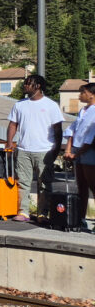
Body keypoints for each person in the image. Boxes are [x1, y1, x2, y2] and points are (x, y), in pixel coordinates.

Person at [6, 74, 64, 223]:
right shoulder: (19, 105)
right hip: (23, 149)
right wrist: (9, 142)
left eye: (28, 83)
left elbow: (58, 130)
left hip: (45, 151)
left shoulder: (51, 105)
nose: (25, 85)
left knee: (44, 184)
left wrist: (56, 150)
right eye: (25, 83)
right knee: (22, 182)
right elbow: (13, 125)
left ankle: (42, 214)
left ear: (37, 86)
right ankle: (23, 212)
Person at [65, 83, 95, 220]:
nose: (79, 95)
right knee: (81, 187)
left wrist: (76, 154)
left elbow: (90, 138)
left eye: (83, 92)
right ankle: (81, 219)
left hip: (89, 151)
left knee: (93, 186)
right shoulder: (83, 110)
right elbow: (72, 129)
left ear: (91, 94)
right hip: (77, 150)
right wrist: (68, 149)